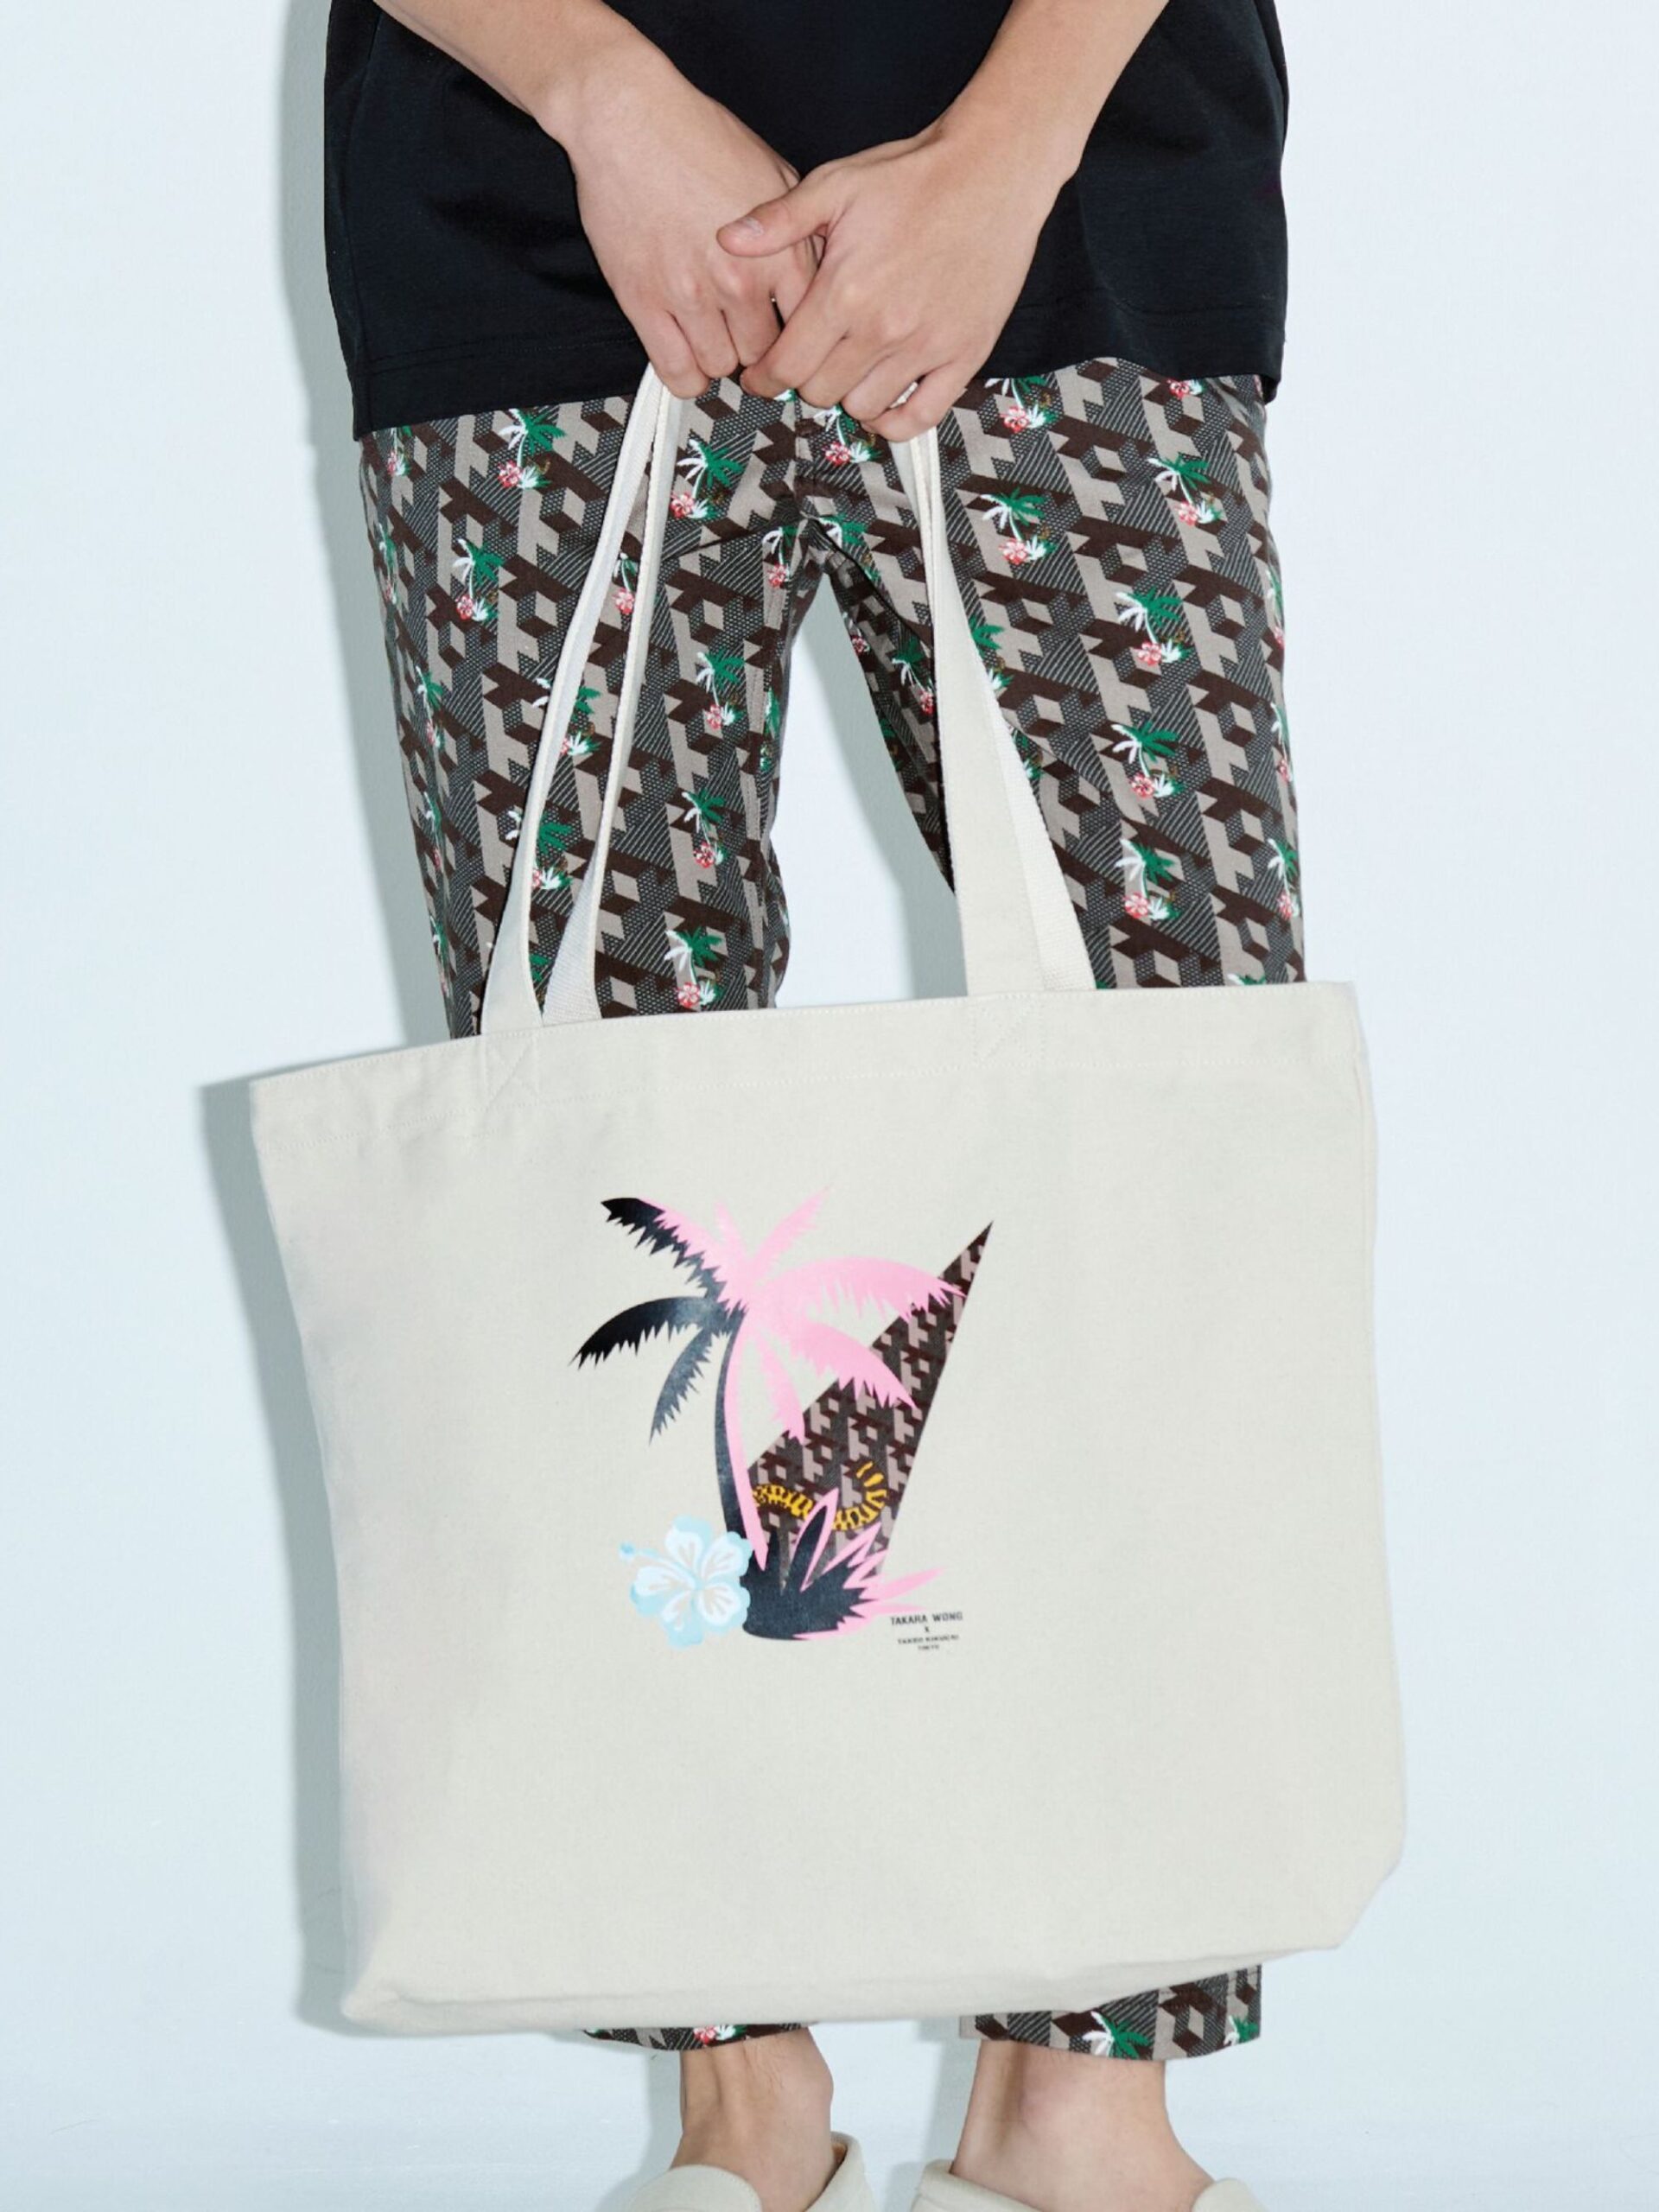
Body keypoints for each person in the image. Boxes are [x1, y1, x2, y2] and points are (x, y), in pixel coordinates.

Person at [323, 3, 1296, 2208]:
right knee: (610, 1173)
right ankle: (740, 2099)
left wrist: (1013, 138)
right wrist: (599, 95)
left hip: (1071, 210)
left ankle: (1087, 2105)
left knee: (1165, 1122)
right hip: (532, 222)